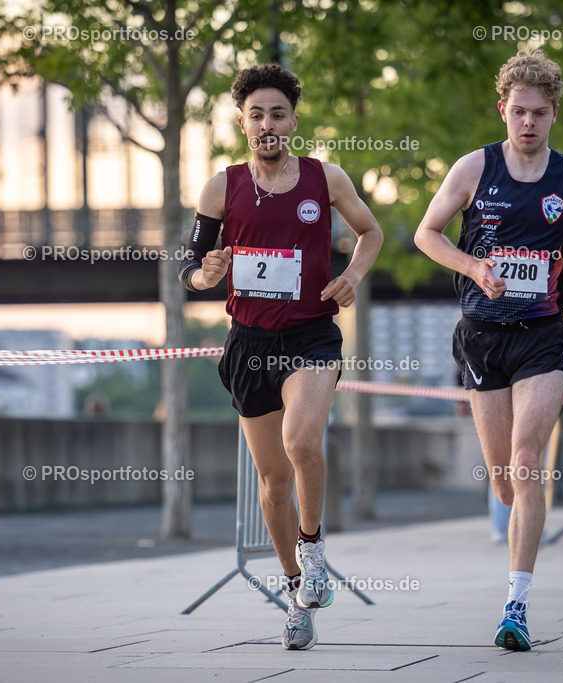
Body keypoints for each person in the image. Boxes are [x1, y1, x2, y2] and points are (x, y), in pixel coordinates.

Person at [414, 49, 563, 651]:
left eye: (539, 112)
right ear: (502, 110)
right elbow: (425, 233)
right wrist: (472, 265)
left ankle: (517, 605)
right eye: (518, 112)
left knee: (529, 460)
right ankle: (514, 529)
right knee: (507, 484)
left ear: (554, 113)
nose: (527, 122)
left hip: (542, 335)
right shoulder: (474, 168)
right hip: (482, 337)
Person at [178, 63, 383, 650]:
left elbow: (372, 233)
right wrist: (203, 274)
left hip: (312, 337)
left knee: (301, 443)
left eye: (278, 114)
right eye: (256, 115)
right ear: (242, 123)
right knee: (271, 481)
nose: (267, 124)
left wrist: (351, 277)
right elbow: (190, 264)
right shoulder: (223, 186)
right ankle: (296, 592)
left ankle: (313, 548)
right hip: (249, 343)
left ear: (294, 120)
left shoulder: (326, 179)